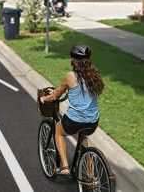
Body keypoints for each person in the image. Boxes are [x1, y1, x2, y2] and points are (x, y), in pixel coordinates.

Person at [40, 44, 104, 176]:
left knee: (58, 131)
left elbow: (56, 95)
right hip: (93, 121)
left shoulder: (70, 76)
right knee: (83, 138)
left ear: (74, 60)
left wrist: (45, 99)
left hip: (75, 120)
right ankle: (91, 174)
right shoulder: (95, 75)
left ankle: (64, 166)